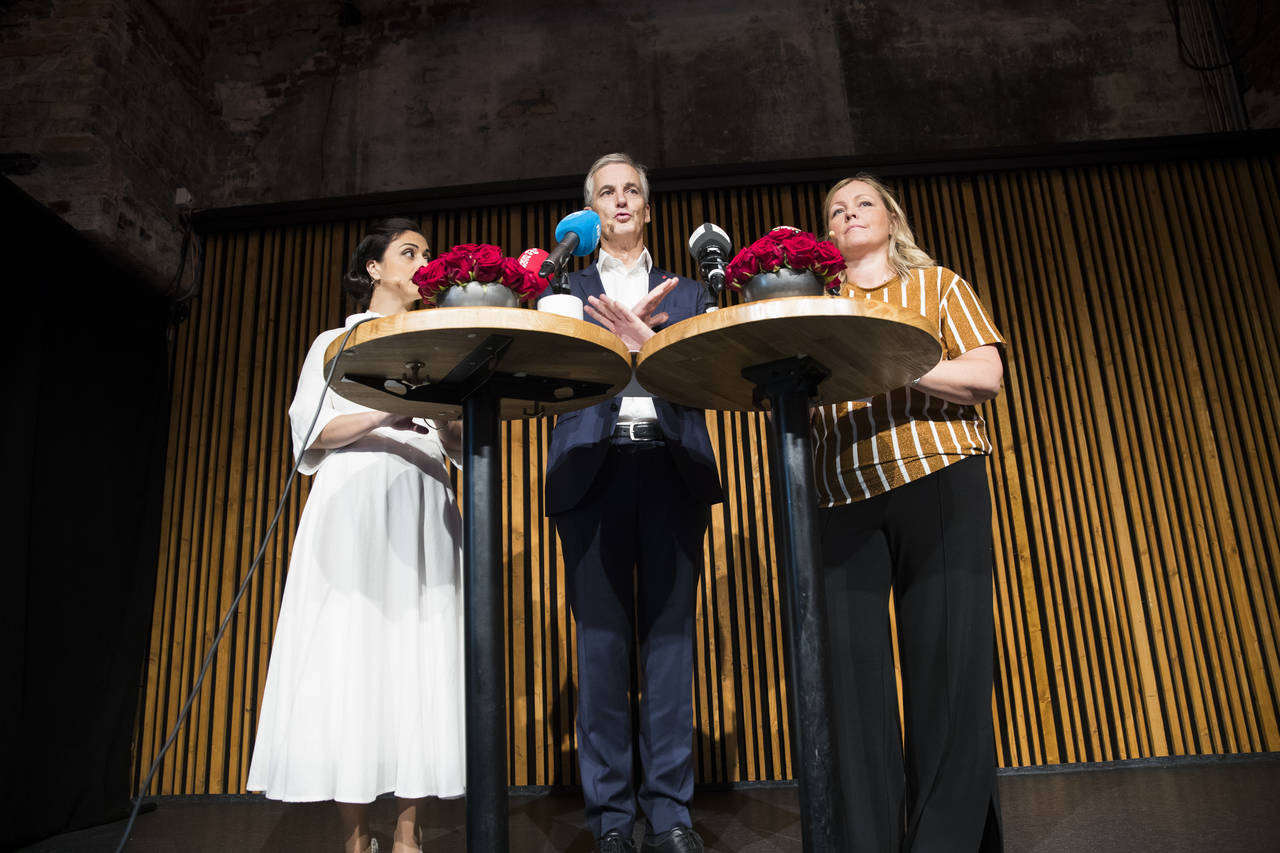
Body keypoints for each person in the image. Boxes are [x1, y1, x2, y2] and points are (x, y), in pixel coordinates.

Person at [246, 219, 465, 853]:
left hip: (424, 497)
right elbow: (309, 435)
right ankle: (354, 835)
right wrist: (387, 413)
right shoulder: (334, 342)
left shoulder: (439, 339)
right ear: (373, 268)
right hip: (354, 501)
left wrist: (449, 422)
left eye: (427, 254)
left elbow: (457, 444)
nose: (422, 262)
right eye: (408, 252)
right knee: (354, 653)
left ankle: (408, 832)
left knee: (418, 655)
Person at [812, 175, 1006, 852]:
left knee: (947, 667)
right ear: (827, 235)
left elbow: (985, 377)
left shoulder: (939, 286)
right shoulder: (815, 305)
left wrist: (892, 360)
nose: (848, 213)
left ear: (890, 219)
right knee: (852, 686)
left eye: (862, 202)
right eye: (836, 210)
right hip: (840, 498)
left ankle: (943, 841)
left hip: (939, 476)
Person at [544, 153, 723, 853]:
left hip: (672, 467)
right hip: (594, 469)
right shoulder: (565, 289)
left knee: (672, 647)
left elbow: (711, 378)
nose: (620, 201)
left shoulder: (689, 291)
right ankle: (612, 819)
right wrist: (608, 347)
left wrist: (652, 345)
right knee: (601, 648)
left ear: (647, 210)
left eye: (631, 192)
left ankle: (672, 813)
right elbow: (551, 377)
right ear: (590, 213)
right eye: (605, 193)